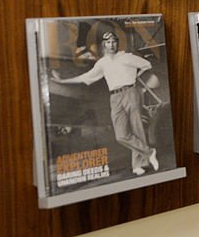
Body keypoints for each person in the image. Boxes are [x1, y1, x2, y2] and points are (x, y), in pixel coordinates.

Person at [51, 30, 159, 176]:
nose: (112, 44)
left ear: (117, 43)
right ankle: (149, 152)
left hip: (131, 93)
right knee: (121, 135)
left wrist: (134, 77)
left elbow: (147, 65)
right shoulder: (103, 63)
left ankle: (139, 165)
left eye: (114, 41)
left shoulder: (127, 57)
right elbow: (86, 77)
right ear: (105, 45)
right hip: (114, 97)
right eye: (108, 42)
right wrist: (62, 81)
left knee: (136, 129)